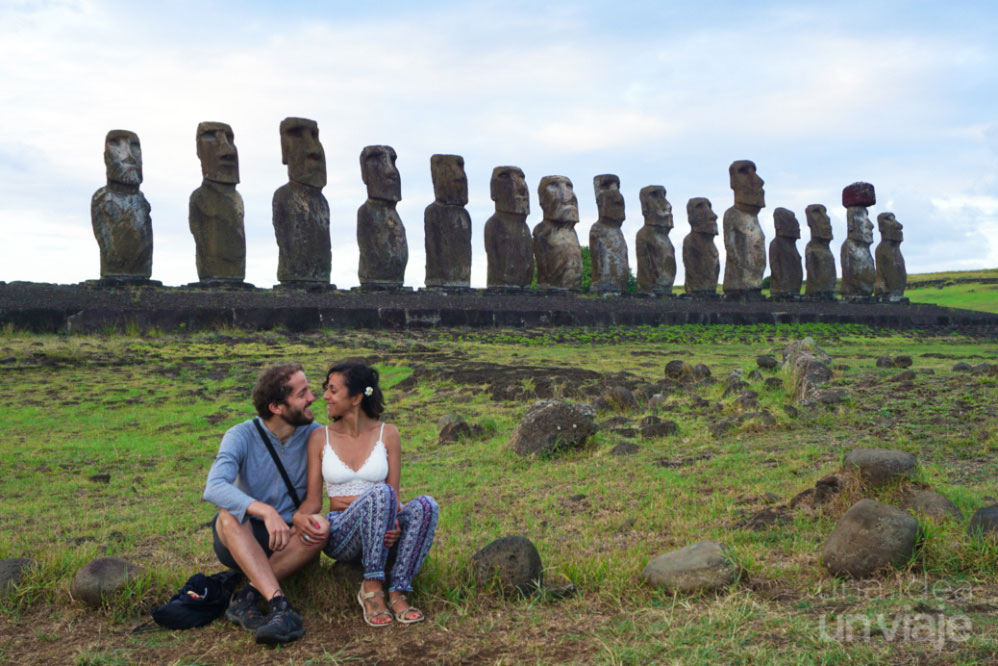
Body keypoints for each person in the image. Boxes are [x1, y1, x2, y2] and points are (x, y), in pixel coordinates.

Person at [297, 362, 439, 627]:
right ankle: (371, 586)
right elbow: (315, 501)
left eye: (332, 390)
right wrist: (296, 517)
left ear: (356, 398)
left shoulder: (389, 434)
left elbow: (394, 497)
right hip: (343, 531)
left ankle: (398, 588)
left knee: (427, 506)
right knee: (379, 494)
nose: (325, 396)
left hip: (383, 528)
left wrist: (390, 518)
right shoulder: (320, 438)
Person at [203, 363, 329, 645]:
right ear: (277, 407)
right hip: (243, 537)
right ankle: (280, 605)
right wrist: (265, 510)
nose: (312, 397)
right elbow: (214, 486)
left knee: (320, 525)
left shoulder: (317, 435)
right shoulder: (240, 435)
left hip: (289, 538)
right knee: (228, 517)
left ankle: (247, 596)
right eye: (302, 393)